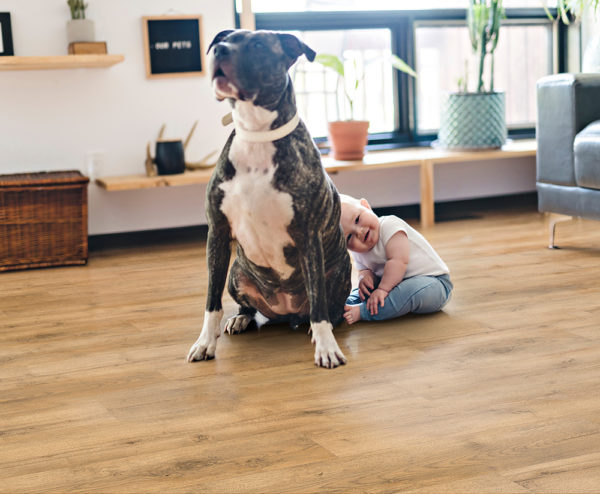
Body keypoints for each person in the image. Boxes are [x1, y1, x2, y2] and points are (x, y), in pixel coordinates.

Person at [339, 194, 453, 324]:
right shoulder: (358, 251)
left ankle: (363, 312)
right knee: (364, 291)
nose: (359, 232)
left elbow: (398, 262)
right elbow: (363, 269)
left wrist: (382, 290)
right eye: (348, 238)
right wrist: (364, 278)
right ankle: (345, 305)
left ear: (366, 206)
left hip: (434, 284)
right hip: (393, 284)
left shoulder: (390, 226)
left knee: (406, 291)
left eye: (357, 219)